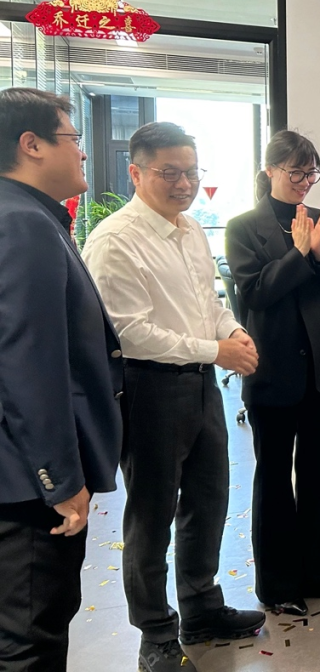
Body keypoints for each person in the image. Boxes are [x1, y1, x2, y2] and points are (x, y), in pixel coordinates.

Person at [83, 122, 264, 672]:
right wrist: (216, 350)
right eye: (170, 172)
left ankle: (202, 607)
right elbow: (129, 331)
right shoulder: (115, 239)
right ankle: (155, 633)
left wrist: (233, 332)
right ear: (136, 173)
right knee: (151, 512)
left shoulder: (191, 230)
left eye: (191, 172)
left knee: (208, 501)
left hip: (201, 384)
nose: (184, 183)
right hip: (149, 388)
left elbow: (209, 301)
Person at [0, 88, 123, 671]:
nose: (82, 152)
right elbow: (29, 363)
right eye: (73, 138)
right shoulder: (22, 224)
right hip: (25, 482)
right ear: (32, 145)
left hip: (22, 472)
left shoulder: (29, 216)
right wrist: (59, 477)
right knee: (32, 637)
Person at [225, 131, 320, 615]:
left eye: (311, 172)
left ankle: (318, 575)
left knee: (316, 475)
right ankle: (277, 587)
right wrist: (298, 254)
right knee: (275, 479)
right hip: (271, 369)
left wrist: (318, 253)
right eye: (296, 171)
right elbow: (255, 293)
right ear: (270, 171)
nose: (304, 181)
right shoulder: (243, 226)